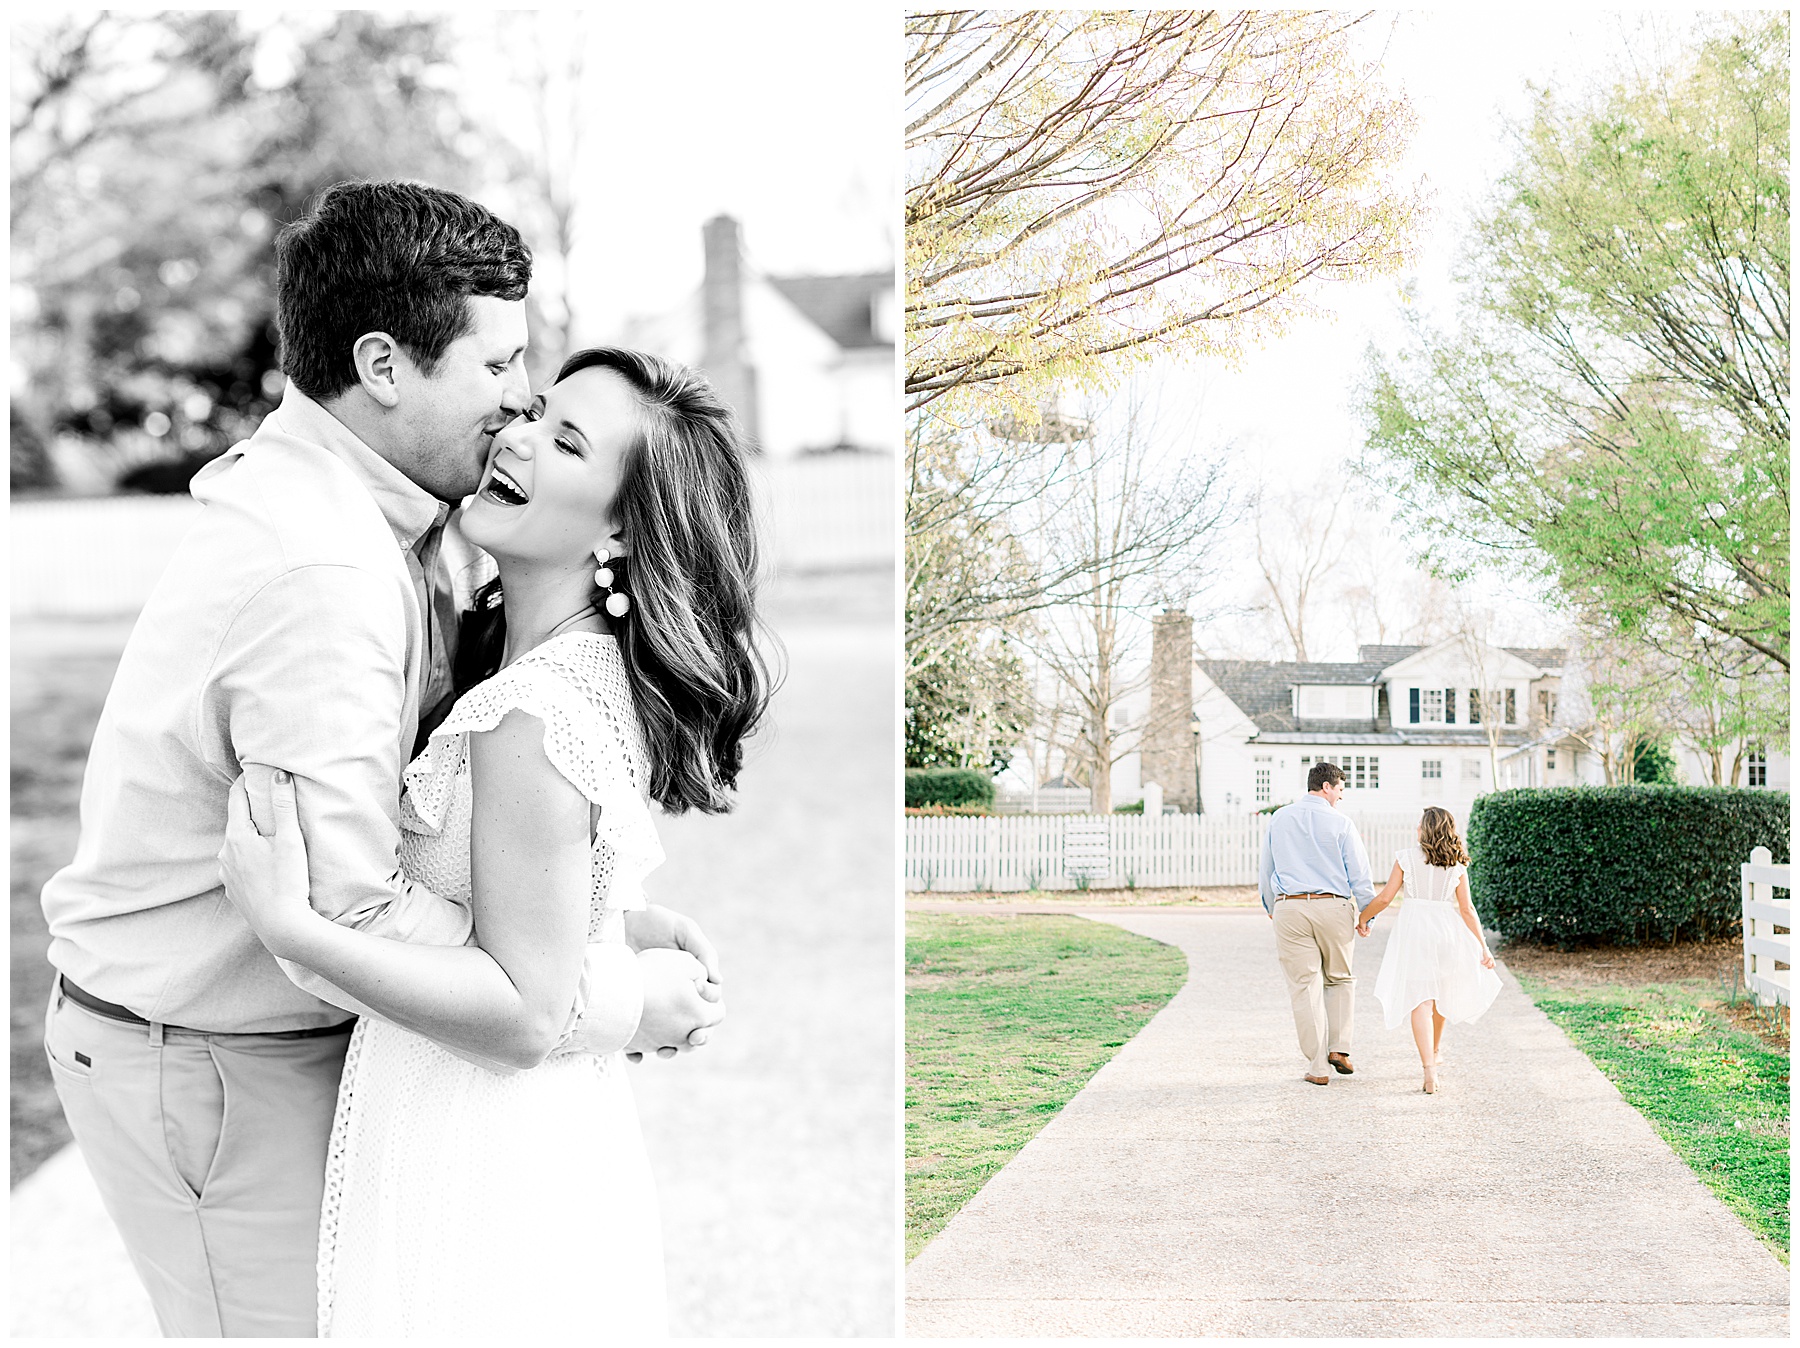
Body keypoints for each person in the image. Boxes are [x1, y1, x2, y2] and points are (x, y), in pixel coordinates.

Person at [38, 182, 720, 1338]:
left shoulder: (398, 521)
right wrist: (605, 991)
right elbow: (337, 914)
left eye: (539, 393)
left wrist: (575, 917)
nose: (514, 410)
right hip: (212, 1057)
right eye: (505, 371)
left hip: (290, 1047)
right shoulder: (328, 571)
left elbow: (451, 839)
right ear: (386, 366)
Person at [221, 345, 769, 1336]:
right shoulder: (554, 675)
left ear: (621, 529)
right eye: (536, 411)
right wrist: (618, 923)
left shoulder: (535, 711)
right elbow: (530, 908)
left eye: (566, 442)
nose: (515, 436)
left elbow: (523, 1013)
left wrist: (295, 929)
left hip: (480, 1157)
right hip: (494, 1136)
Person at [1356, 806, 1501, 1093]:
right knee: (1440, 997)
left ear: (1425, 829)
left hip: (1415, 932)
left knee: (1420, 1001)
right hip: (1446, 932)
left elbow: (1385, 898)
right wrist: (1483, 947)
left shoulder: (1405, 858)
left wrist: (1363, 917)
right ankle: (1434, 1053)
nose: (1416, 828)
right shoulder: (1457, 866)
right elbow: (1467, 909)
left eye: (1419, 824)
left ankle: (1429, 1070)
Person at [1258, 761, 1375, 1085]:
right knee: (1340, 978)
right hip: (1334, 907)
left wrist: (1272, 905)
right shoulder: (1342, 823)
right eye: (1339, 789)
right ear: (1326, 786)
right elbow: (1360, 875)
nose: (1340, 796)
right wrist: (1367, 915)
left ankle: (1317, 1066)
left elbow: (1266, 868)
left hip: (1290, 907)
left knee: (1303, 987)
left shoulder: (1279, 818)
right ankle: (1339, 1048)